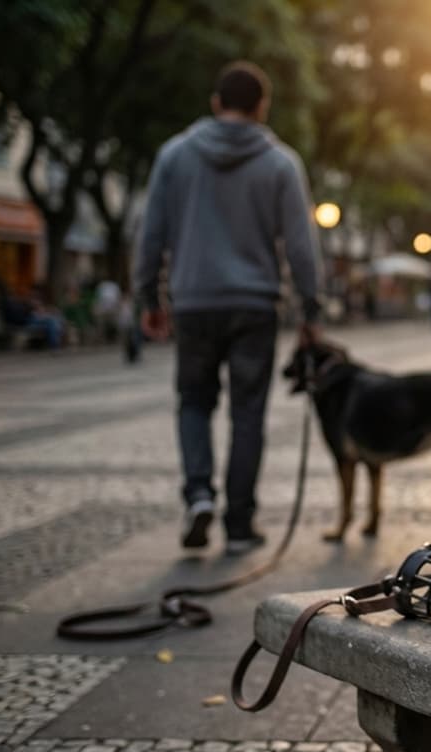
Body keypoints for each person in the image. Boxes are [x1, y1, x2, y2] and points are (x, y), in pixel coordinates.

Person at [134, 60, 322, 555]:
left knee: (194, 402)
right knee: (248, 413)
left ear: (216, 103)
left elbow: (150, 234)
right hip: (255, 305)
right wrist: (311, 309)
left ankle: (199, 495)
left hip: (193, 301)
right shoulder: (281, 163)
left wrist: (149, 297)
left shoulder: (174, 155)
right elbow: (301, 245)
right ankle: (239, 523)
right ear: (262, 108)